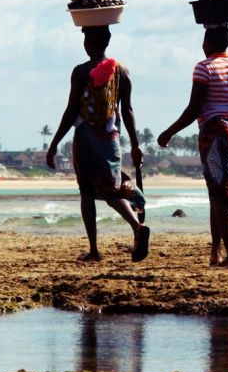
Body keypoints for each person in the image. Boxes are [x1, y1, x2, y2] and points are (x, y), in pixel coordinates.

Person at [158, 25, 228, 268]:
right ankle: (215, 252)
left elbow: (194, 108)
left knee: (221, 195)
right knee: (215, 193)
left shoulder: (204, 67)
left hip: (215, 133)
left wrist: (169, 131)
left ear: (207, 42)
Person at [46, 25, 150, 263]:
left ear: (87, 44)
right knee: (112, 188)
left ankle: (94, 249)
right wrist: (134, 144)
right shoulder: (122, 71)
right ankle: (136, 226)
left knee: (86, 191)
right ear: (108, 40)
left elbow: (72, 110)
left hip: (86, 137)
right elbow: (128, 110)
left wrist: (54, 144)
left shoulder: (81, 71)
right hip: (112, 138)